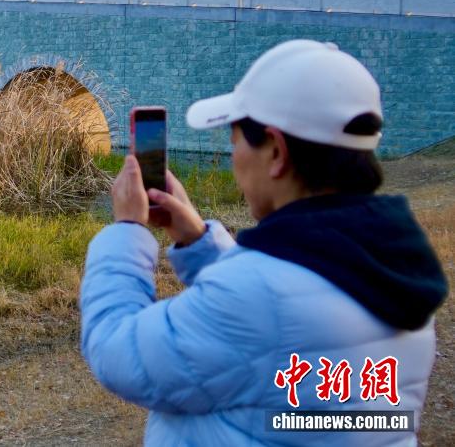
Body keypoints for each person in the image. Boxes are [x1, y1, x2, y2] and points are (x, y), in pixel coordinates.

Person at [80, 39, 448, 445]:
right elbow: (285, 307)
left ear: (276, 152)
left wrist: (127, 231)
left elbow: (117, 351)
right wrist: (198, 241)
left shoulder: (256, 296)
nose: (233, 154)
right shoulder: (393, 265)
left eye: (235, 139)